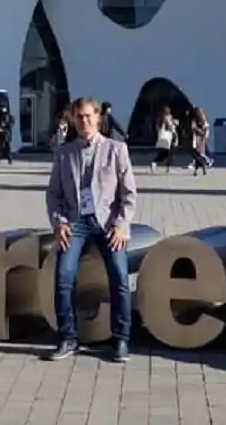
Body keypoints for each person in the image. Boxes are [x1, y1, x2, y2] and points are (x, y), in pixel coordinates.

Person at [44, 97, 137, 363]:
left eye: (88, 116)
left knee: (119, 277)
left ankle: (120, 340)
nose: (84, 122)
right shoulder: (64, 153)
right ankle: (68, 338)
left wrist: (121, 224)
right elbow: (53, 194)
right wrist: (59, 221)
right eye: (79, 117)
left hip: (108, 223)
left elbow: (129, 195)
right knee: (63, 276)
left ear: (98, 118)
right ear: (73, 119)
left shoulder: (117, 150)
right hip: (75, 223)